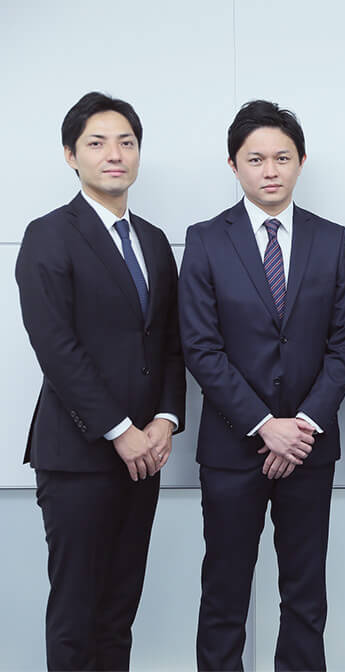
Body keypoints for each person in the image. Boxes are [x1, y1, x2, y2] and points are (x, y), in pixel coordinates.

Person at [179, 100, 345, 671]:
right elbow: (200, 348)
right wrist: (264, 426)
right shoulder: (206, 240)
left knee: (305, 594)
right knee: (224, 592)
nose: (270, 170)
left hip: (309, 449)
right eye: (255, 159)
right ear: (233, 165)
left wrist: (300, 427)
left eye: (282, 157)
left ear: (301, 161)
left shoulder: (331, 239)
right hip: (232, 449)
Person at [15, 91, 186, 670]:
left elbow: (169, 342)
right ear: (71, 155)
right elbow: (56, 347)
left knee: (118, 614)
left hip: (144, 458)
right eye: (97, 143)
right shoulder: (49, 234)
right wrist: (119, 430)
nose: (115, 154)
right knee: (77, 615)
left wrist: (164, 419)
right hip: (78, 456)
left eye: (126, 143)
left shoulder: (154, 241)